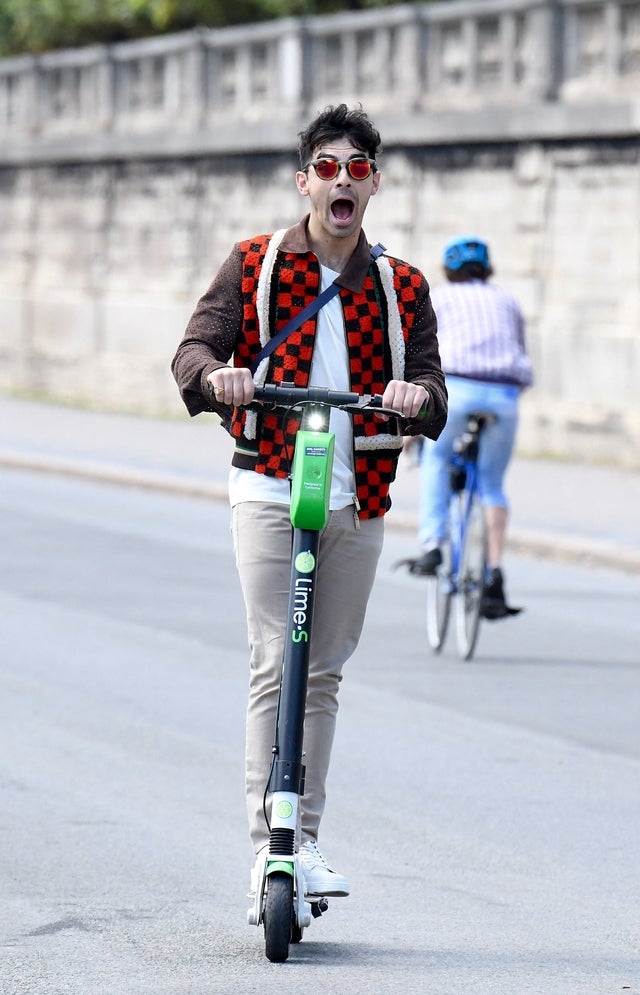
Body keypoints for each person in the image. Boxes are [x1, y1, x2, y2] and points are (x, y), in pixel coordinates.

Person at [171, 103, 447, 898]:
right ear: (304, 182)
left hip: (358, 487)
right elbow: (193, 348)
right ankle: (269, 845)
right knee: (273, 657)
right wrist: (214, 377)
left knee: (321, 669)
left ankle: (306, 835)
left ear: (374, 185)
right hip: (268, 475)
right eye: (327, 168)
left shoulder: (399, 285)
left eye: (356, 169)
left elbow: (434, 390)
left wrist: (412, 397)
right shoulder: (255, 264)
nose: (341, 181)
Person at [411, 234, 533, 619]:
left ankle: (432, 546)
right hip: (504, 395)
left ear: (450, 270)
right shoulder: (507, 300)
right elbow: (523, 357)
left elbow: (423, 355)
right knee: (493, 485)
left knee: (436, 457)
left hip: (458, 388)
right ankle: (494, 572)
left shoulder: (442, 299)